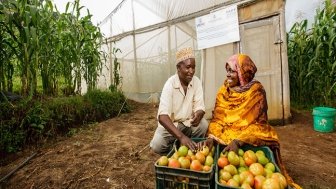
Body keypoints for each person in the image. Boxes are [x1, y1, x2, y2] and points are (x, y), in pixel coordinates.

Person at [199, 54, 301, 189]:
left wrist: (239, 141)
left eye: (232, 71)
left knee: (261, 135)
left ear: (243, 73)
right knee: (217, 140)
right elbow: (218, 118)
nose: (228, 75)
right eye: (227, 71)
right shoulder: (224, 90)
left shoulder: (256, 91)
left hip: (247, 129)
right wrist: (212, 137)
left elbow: (258, 123)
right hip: (227, 131)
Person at [150, 47, 208, 155]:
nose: (191, 71)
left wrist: (199, 113)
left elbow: (200, 107)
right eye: (188, 67)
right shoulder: (170, 84)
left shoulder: (196, 82)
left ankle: (193, 148)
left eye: (193, 67)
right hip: (173, 126)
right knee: (156, 145)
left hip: (188, 123)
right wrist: (181, 137)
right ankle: (176, 149)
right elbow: (162, 117)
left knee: (203, 125)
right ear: (178, 68)